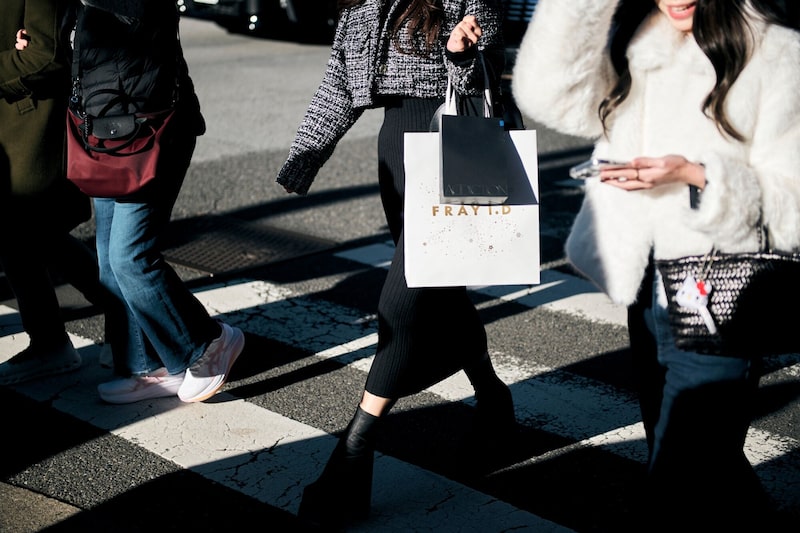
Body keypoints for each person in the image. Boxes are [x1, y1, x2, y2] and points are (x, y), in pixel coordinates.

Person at [512, 0, 800, 529]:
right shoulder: (639, 37)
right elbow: (548, 97)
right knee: (704, 465)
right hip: (647, 282)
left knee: (675, 477)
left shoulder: (777, 51)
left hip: (722, 284)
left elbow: (794, 201)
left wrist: (697, 175)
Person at [276, 0, 516, 528]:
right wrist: (307, 152)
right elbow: (340, 81)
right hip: (397, 157)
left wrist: (459, 56)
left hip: (455, 149)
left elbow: (489, 73)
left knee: (401, 304)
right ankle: (495, 402)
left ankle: (354, 451)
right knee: (442, 294)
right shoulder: (365, 1)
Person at [64, 0, 245, 404]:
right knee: (110, 264)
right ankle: (150, 365)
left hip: (149, 134)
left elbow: (140, 27)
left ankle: (207, 342)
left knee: (130, 257)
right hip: (106, 131)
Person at [0, 0, 108, 386]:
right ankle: (55, 341)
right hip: (12, 119)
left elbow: (44, 56)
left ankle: (134, 321)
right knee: (26, 237)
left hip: (26, 122)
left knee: (30, 232)